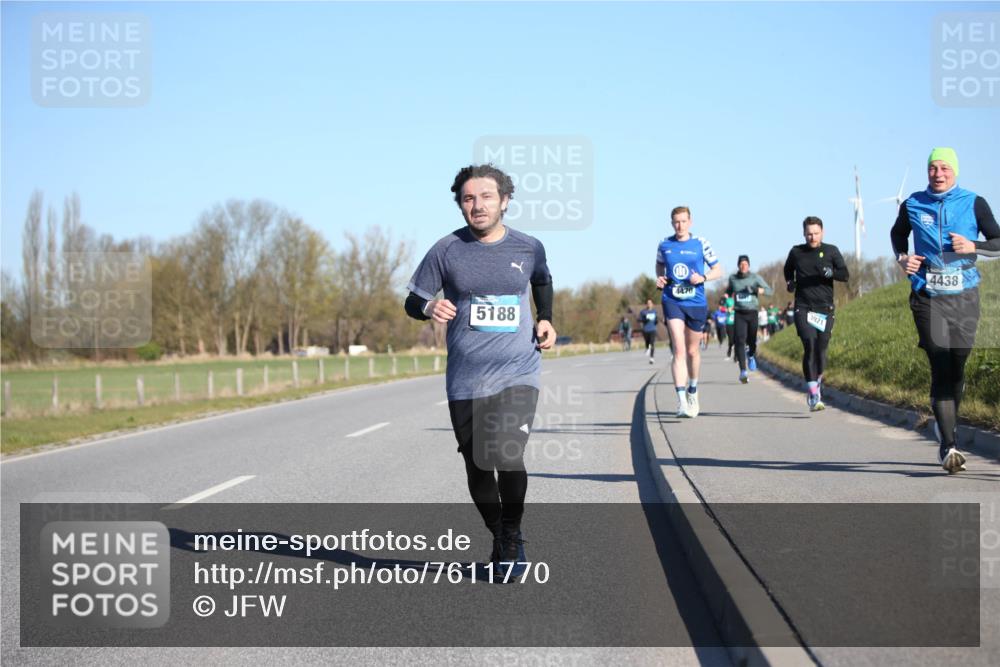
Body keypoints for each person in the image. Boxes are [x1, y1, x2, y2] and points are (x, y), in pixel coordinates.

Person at [404, 164, 556, 575]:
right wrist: (429, 306)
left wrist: (545, 317)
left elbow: (542, 280)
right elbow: (412, 300)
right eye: (469, 198)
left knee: (507, 455)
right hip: (466, 377)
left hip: (518, 370)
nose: (478, 205)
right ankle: (498, 532)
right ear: (460, 204)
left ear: (505, 200)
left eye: (487, 196)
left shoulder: (528, 247)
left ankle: (513, 534)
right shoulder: (445, 250)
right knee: (477, 464)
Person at [890, 147, 1000, 473]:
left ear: (954, 171)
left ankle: (947, 419)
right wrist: (901, 259)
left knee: (957, 364)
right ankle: (948, 446)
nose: (938, 174)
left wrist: (974, 246)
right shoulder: (912, 203)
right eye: (933, 168)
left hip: (964, 295)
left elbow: (998, 240)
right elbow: (897, 235)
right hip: (927, 295)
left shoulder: (973, 202)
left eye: (944, 168)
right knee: (940, 362)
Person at [655, 206, 723, 418]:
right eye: (676, 222)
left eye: (683, 221)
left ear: (690, 222)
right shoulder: (664, 245)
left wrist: (703, 278)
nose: (680, 225)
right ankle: (682, 401)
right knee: (679, 349)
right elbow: (659, 266)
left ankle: (693, 389)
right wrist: (661, 278)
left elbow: (719, 270)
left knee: (693, 351)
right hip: (672, 299)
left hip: (695, 302)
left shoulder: (701, 243)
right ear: (671, 223)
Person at [784, 216, 849, 411]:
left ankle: (817, 381)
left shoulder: (831, 251)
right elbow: (788, 270)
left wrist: (831, 273)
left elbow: (845, 275)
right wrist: (790, 282)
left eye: (816, 233)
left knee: (821, 350)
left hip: (825, 309)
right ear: (804, 233)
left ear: (823, 232)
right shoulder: (796, 252)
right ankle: (813, 393)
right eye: (809, 234)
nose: (812, 237)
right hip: (803, 307)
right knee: (810, 345)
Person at [726, 256, 773, 383]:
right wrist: (727, 299)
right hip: (739, 313)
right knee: (740, 340)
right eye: (741, 264)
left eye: (746, 264)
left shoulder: (755, 278)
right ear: (738, 266)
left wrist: (756, 289)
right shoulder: (733, 278)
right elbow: (729, 290)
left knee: (752, 340)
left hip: (752, 313)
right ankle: (743, 371)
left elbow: (770, 291)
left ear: (749, 266)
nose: (743, 266)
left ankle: (751, 355)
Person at [637, 299, 659, 364]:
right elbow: (638, 319)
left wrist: (656, 321)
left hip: (653, 329)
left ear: (652, 304)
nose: (649, 304)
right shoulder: (643, 312)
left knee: (652, 343)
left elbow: (656, 320)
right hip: (646, 330)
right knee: (647, 342)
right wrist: (645, 319)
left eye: (650, 303)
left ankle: (651, 358)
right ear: (646, 304)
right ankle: (647, 348)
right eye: (648, 303)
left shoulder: (654, 311)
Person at [724, 293, 736, 360]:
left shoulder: (740, 300)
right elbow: (724, 308)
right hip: (729, 323)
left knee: (737, 340)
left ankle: (736, 357)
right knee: (731, 340)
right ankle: (729, 354)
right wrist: (727, 309)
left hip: (738, 323)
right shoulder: (728, 300)